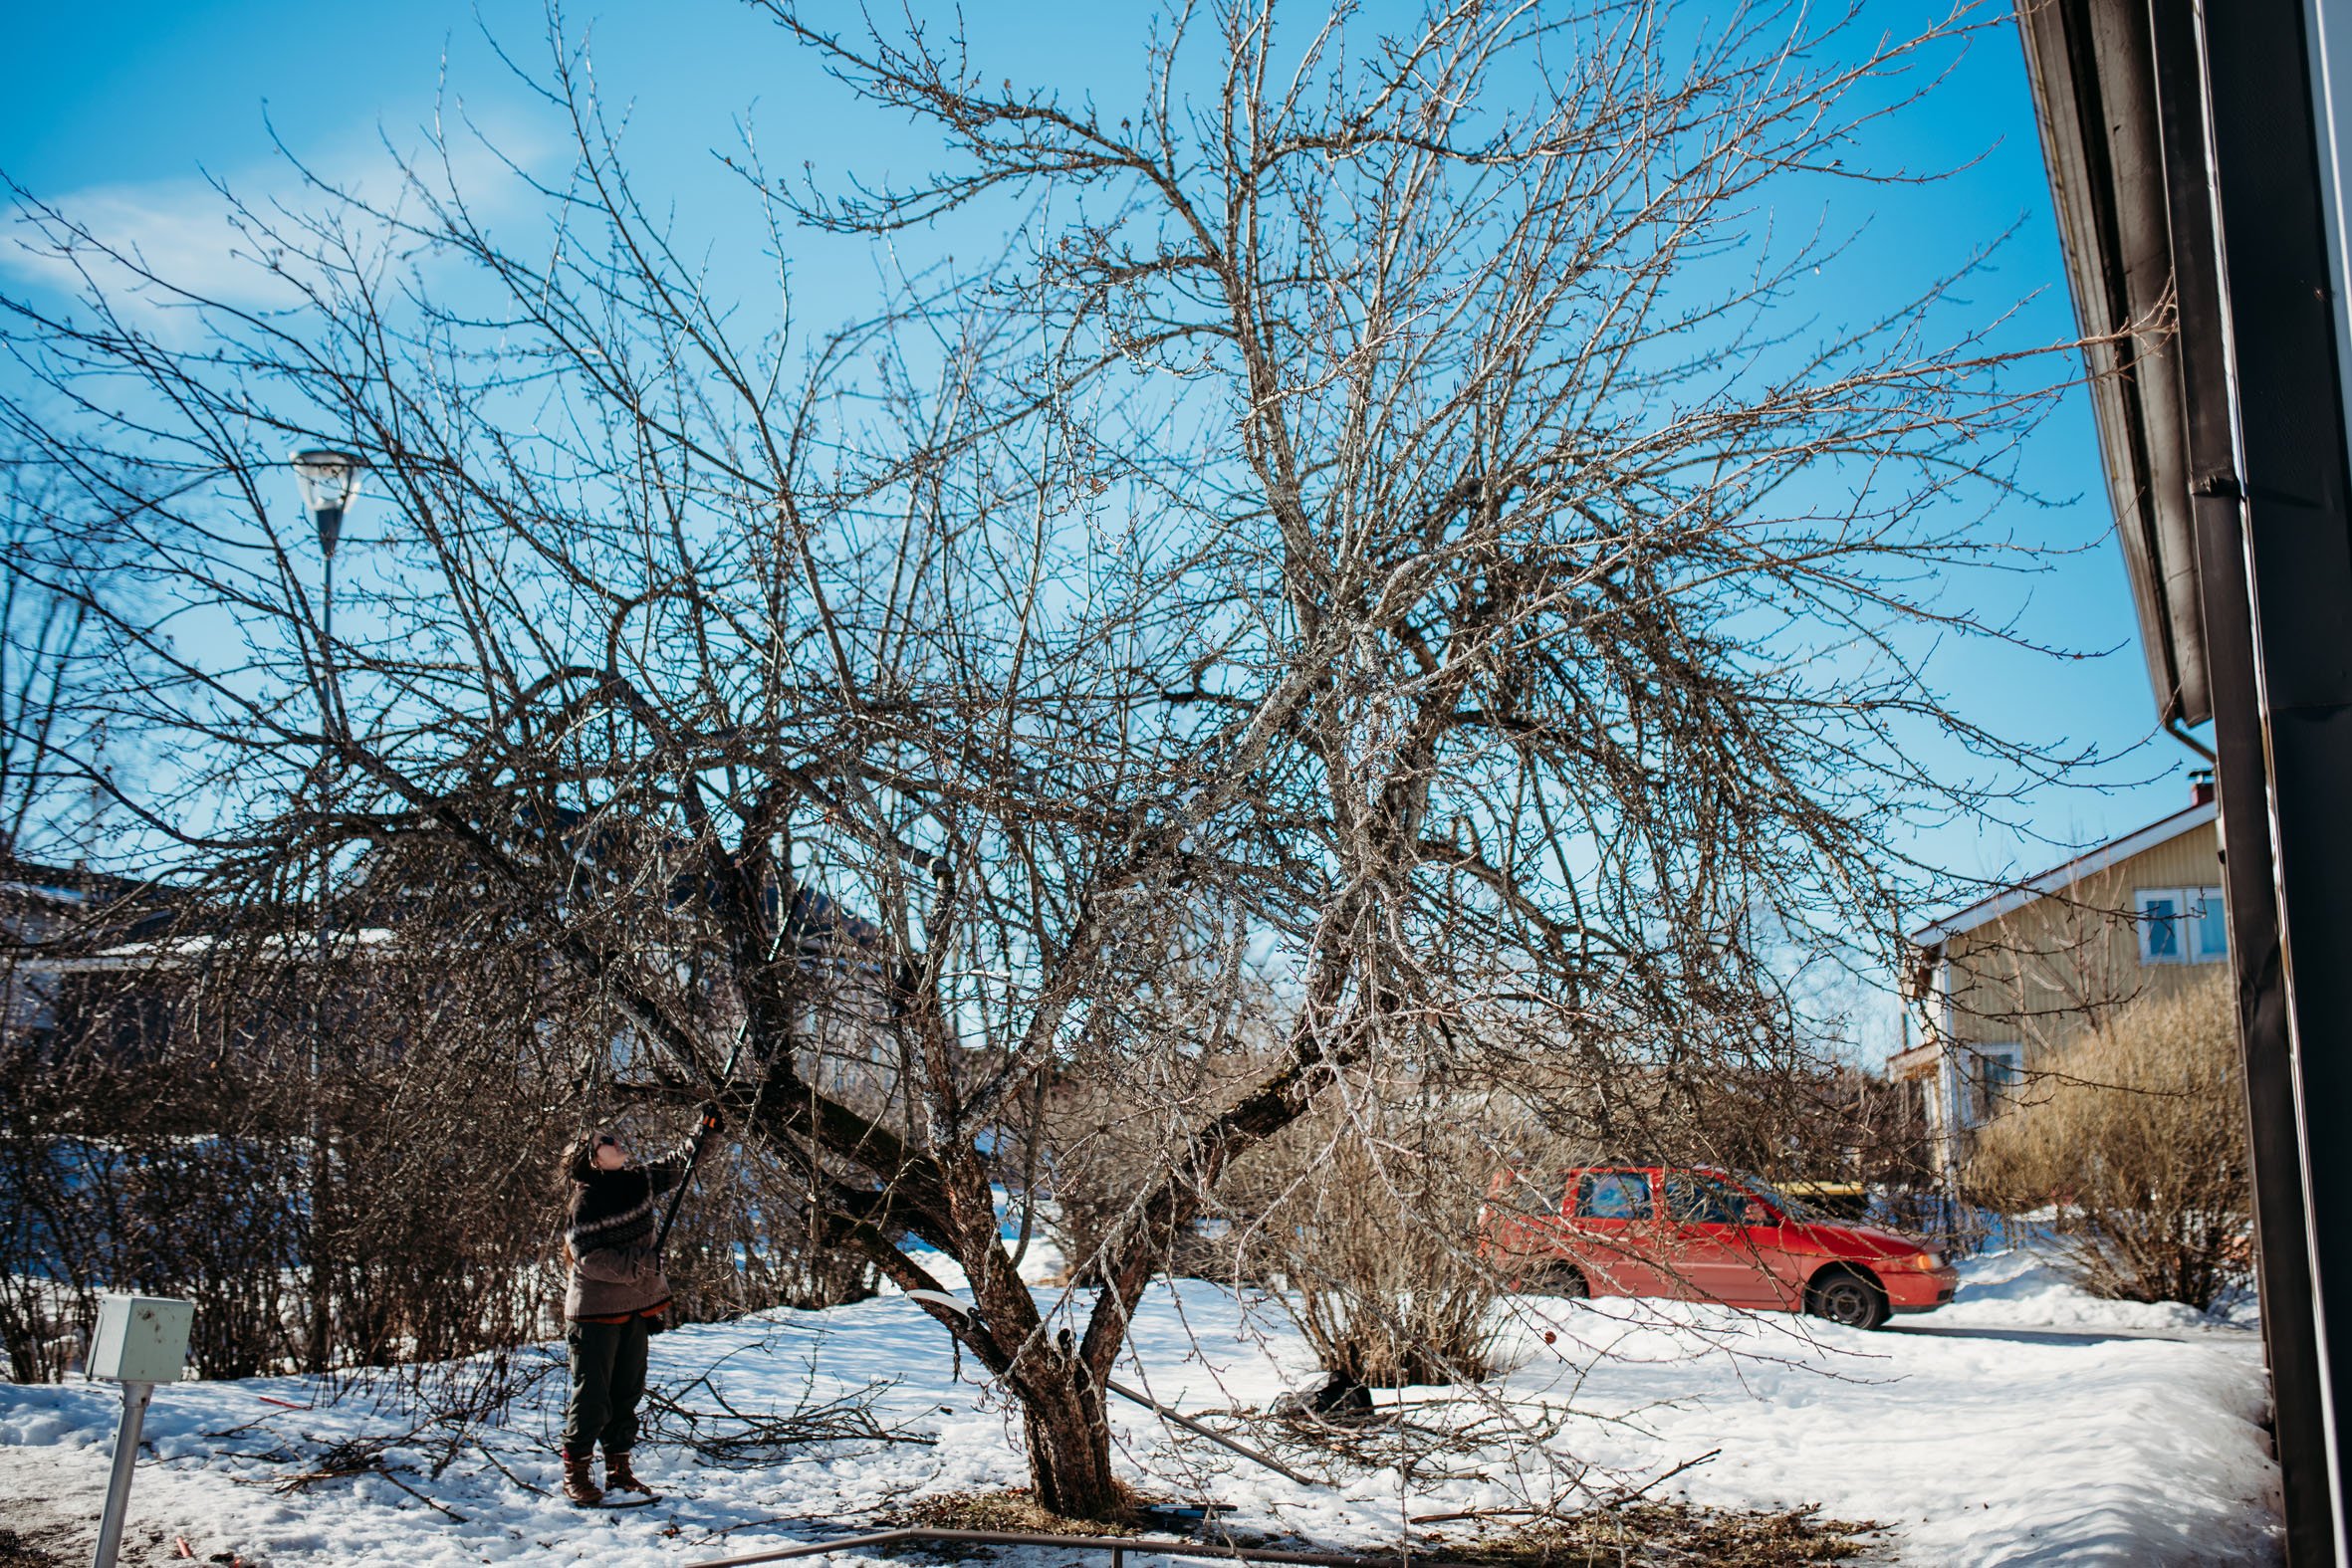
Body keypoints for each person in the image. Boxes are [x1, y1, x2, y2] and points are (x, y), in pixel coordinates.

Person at [556, 1106, 721, 1506]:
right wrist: (639, 1265)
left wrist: (707, 1129)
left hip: (633, 1306)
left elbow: (683, 1162)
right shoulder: (586, 1202)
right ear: (593, 1159)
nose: (616, 1141)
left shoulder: (638, 1180)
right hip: (593, 1312)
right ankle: (575, 1472)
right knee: (593, 1395)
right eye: (605, 1141)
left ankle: (619, 1471)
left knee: (627, 1391)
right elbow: (590, 1259)